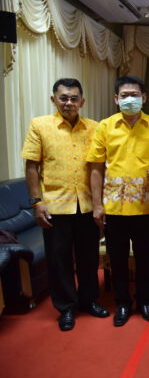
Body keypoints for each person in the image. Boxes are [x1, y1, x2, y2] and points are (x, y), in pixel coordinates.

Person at [21, 78, 109, 331]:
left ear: (82, 101)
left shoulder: (94, 128)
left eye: (73, 98)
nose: (68, 103)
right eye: (63, 98)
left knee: (89, 258)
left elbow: (100, 167)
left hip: (87, 205)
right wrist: (36, 203)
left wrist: (100, 203)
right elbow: (31, 166)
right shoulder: (40, 126)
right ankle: (67, 307)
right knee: (58, 260)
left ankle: (89, 301)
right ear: (54, 100)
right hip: (55, 206)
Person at [87, 75, 149, 327]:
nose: (130, 99)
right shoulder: (105, 127)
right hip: (113, 208)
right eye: (124, 95)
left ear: (144, 98)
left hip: (144, 206)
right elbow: (96, 168)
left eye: (135, 95)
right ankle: (122, 303)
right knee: (118, 258)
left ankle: (145, 301)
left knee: (144, 258)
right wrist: (97, 205)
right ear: (116, 99)